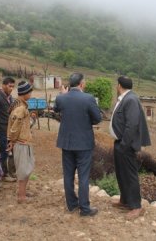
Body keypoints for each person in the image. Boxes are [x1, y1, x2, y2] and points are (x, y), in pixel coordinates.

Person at [54, 73, 102, 217]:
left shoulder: (61, 98)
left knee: (68, 175)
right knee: (83, 176)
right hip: (83, 143)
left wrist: (63, 94)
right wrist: (87, 122)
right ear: (81, 84)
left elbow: (56, 110)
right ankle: (85, 209)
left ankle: (72, 205)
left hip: (66, 143)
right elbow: (98, 119)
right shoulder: (88, 98)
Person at [110, 76, 151, 219]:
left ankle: (136, 206)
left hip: (126, 144)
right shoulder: (127, 98)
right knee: (122, 173)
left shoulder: (131, 100)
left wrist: (124, 144)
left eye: (117, 85)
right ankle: (125, 200)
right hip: (121, 142)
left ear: (119, 85)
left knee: (130, 175)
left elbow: (132, 125)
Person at [7, 81, 36, 203]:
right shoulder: (21, 108)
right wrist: (12, 141)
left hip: (24, 142)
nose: (31, 94)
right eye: (30, 92)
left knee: (26, 169)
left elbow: (21, 125)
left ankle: (22, 192)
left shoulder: (21, 107)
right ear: (25, 93)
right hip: (21, 143)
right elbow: (14, 127)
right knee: (23, 171)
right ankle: (21, 197)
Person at [0, 77, 17, 182]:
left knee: (12, 150)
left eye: (13, 86)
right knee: (4, 151)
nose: (11, 88)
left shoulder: (11, 98)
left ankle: (12, 172)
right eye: (10, 86)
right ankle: (4, 174)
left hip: (11, 129)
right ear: (3, 85)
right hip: (2, 129)